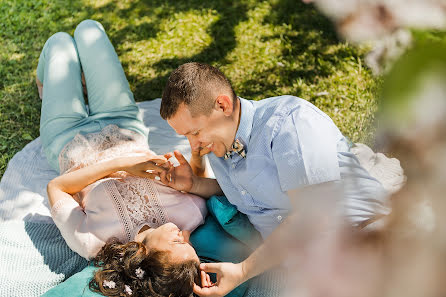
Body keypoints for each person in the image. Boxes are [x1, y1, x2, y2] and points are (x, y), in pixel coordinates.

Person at [157, 62, 390, 296]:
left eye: (195, 132)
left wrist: (244, 270)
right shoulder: (219, 149)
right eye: (186, 136)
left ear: (222, 105)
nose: (193, 145)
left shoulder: (289, 122)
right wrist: (195, 184)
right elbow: (248, 192)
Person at [38, 20, 213, 297]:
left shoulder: (94, 242)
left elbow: (56, 188)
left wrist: (123, 165)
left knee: (59, 43)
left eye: (178, 244)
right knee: (89, 29)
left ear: (149, 260)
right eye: (188, 243)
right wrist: (195, 158)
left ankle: (46, 86)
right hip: (122, 124)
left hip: (68, 140)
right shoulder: (190, 216)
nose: (184, 235)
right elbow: (199, 180)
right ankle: (76, 85)